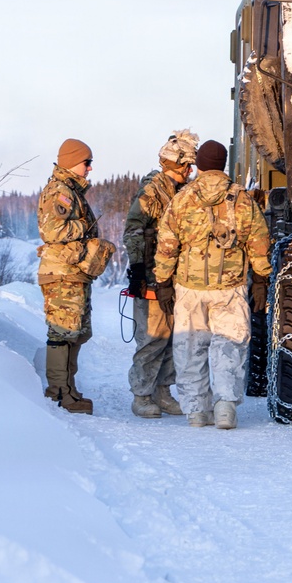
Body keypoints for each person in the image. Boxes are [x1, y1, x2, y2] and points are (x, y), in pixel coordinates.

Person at [153, 139, 270, 429]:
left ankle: (196, 412)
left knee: (189, 350)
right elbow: (259, 242)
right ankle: (225, 408)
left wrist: (163, 282)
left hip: (189, 288)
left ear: (201, 165)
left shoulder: (182, 199)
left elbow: (167, 244)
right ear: (223, 164)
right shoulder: (243, 199)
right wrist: (261, 280)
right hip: (229, 288)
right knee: (229, 346)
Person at [123, 129, 199, 418]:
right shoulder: (152, 191)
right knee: (152, 337)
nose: (190, 170)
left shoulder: (180, 192)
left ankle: (162, 391)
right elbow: (133, 229)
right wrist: (137, 270)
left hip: (175, 277)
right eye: (187, 165)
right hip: (151, 275)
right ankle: (141, 394)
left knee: (172, 338)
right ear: (176, 164)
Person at [36, 138, 115, 414]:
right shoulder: (60, 191)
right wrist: (85, 226)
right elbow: (52, 231)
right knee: (62, 333)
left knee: (75, 333)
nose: (89, 168)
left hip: (72, 274)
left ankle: (67, 390)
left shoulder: (71, 190)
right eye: (86, 162)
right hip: (62, 275)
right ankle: (58, 395)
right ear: (72, 162)